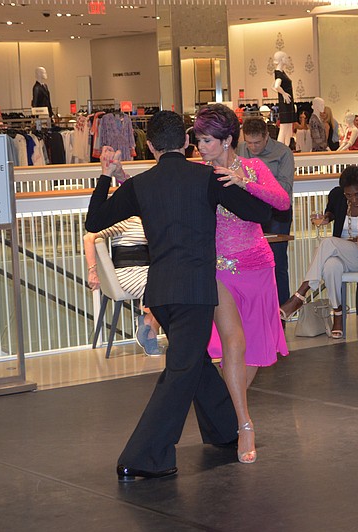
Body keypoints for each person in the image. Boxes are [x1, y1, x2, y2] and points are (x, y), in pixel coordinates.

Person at [85, 110, 272, 481]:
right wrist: (240, 181)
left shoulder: (141, 185)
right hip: (196, 293)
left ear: (150, 145)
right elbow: (261, 213)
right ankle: (144, 456)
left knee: (195, 363)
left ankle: (223, 429)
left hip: (161, 294)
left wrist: (106, 175)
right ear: (187, 142)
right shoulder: (207, 177)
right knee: (182, 369)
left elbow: (95, 221)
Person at [194, 103, 290, 465]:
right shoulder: (200, 175)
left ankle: (226, 409)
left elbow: (281, 201)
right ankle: (244, 423)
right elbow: (166, 195)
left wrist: (244, 182)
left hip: (259, 265)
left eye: (206, 140)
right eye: (199, 140)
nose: (201, 147)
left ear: (226, 139)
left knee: (258, 350)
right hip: (219, 269)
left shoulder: (253, 166)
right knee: (234, 343)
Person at [279, 166, 358, 337]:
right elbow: (331, 212)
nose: (354, 199)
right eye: (349, 195)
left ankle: (300, 294)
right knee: (331, 266)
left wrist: (356, 240)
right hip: (340, 251)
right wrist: (325, 219)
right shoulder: (337, 195)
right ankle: (337, 314)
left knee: (328, 243)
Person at [237, 116, 295, 307]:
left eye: (257, 142)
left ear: (266, 136)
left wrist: (253, 185)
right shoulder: (241, 150)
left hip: (276, 213)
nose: (253, 147)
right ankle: (256, 310)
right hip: (249, 212)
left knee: (277, 263)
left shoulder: (283, 152)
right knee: (250, 264)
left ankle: (281, 313)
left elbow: (284, 188)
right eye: (249, 142)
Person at [83, 217, 162, 356]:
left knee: (170, 287)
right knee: (159, 291)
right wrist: (92, 271)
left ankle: (148, 322)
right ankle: (150, 332)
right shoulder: (123, 222)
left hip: (149, 270)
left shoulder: (152, 219)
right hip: (128, 272)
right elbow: (88, 238)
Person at [272, 51, 295, 148]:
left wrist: (283, 94)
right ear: (282, 59)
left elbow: (273, 86)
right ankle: (280, 149)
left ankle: (286, 147)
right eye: (286, 58)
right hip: (285, 103)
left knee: (288, 126)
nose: (288, 60)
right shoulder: (278, 73)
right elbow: (276, 86)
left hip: (287, 102)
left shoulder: (281, 72)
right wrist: (284, 94)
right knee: (284, 127)